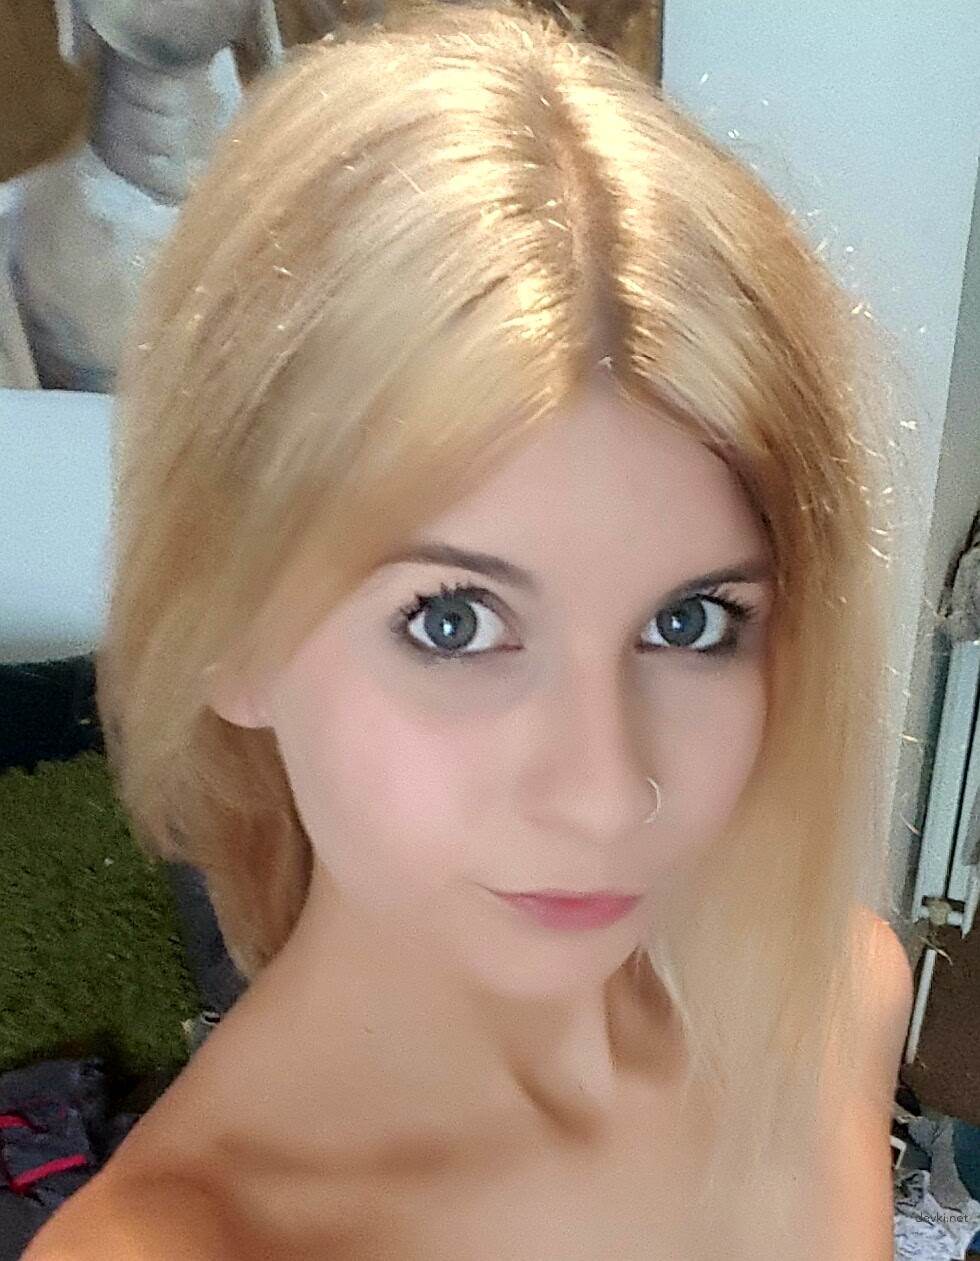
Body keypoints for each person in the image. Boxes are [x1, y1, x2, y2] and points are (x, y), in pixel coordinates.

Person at [24, 3, 914, 1257]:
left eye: (690, 620)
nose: (603, 793)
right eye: (451, 622)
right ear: (229, 625)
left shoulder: (824, 1005)